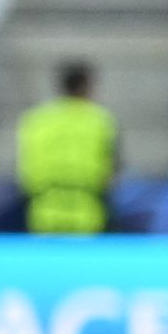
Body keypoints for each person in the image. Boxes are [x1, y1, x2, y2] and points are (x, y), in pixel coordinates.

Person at [14, 56, 116, 231]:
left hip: (43, 212)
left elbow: (26, 169)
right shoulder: (100, 120)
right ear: (87, 86)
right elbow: (110, 170)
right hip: (87, 211)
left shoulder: (36, 119)